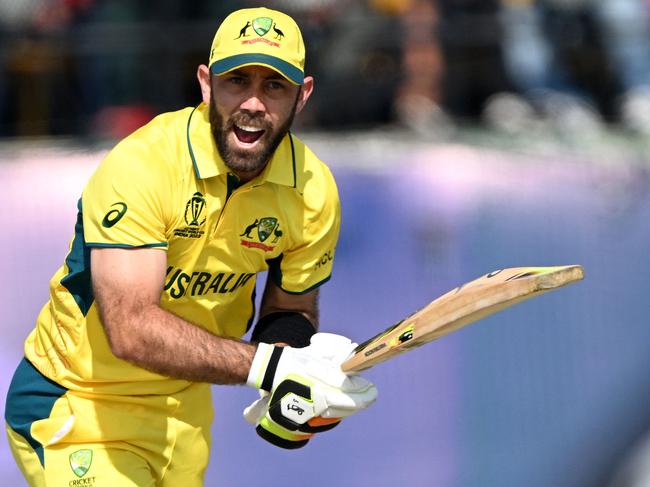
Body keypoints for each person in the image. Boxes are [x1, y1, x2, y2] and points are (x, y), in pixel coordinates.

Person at [4, 7, 377, 486]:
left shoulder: (314, 190)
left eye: (274, 86)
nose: (253, 103)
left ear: (301, 95)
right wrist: (270, 366)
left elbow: (290, 307)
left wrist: (296, 391)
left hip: (184, 414)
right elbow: (131, 329)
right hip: (77, 404)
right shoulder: (144, 165)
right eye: (237, 81)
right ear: (206, 83)